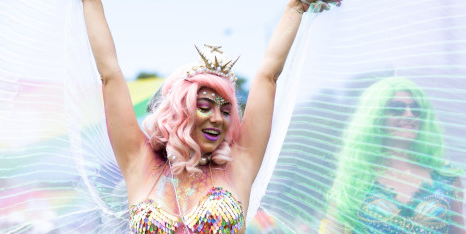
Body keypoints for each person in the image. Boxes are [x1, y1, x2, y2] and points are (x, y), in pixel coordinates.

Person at [82, 0, 337, 232]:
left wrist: (296, 7)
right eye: (205, 107)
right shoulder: (140, 162)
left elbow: (268, 77)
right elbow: (110, 74)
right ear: (180, 112)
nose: (218, 119)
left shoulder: (239, 164)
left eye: (226, 111)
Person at [321, 77, 465, 233]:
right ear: (376, 116)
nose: (409, 114)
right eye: (397, 108)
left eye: (416, 109)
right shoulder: (353, 179)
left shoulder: (446, 176)